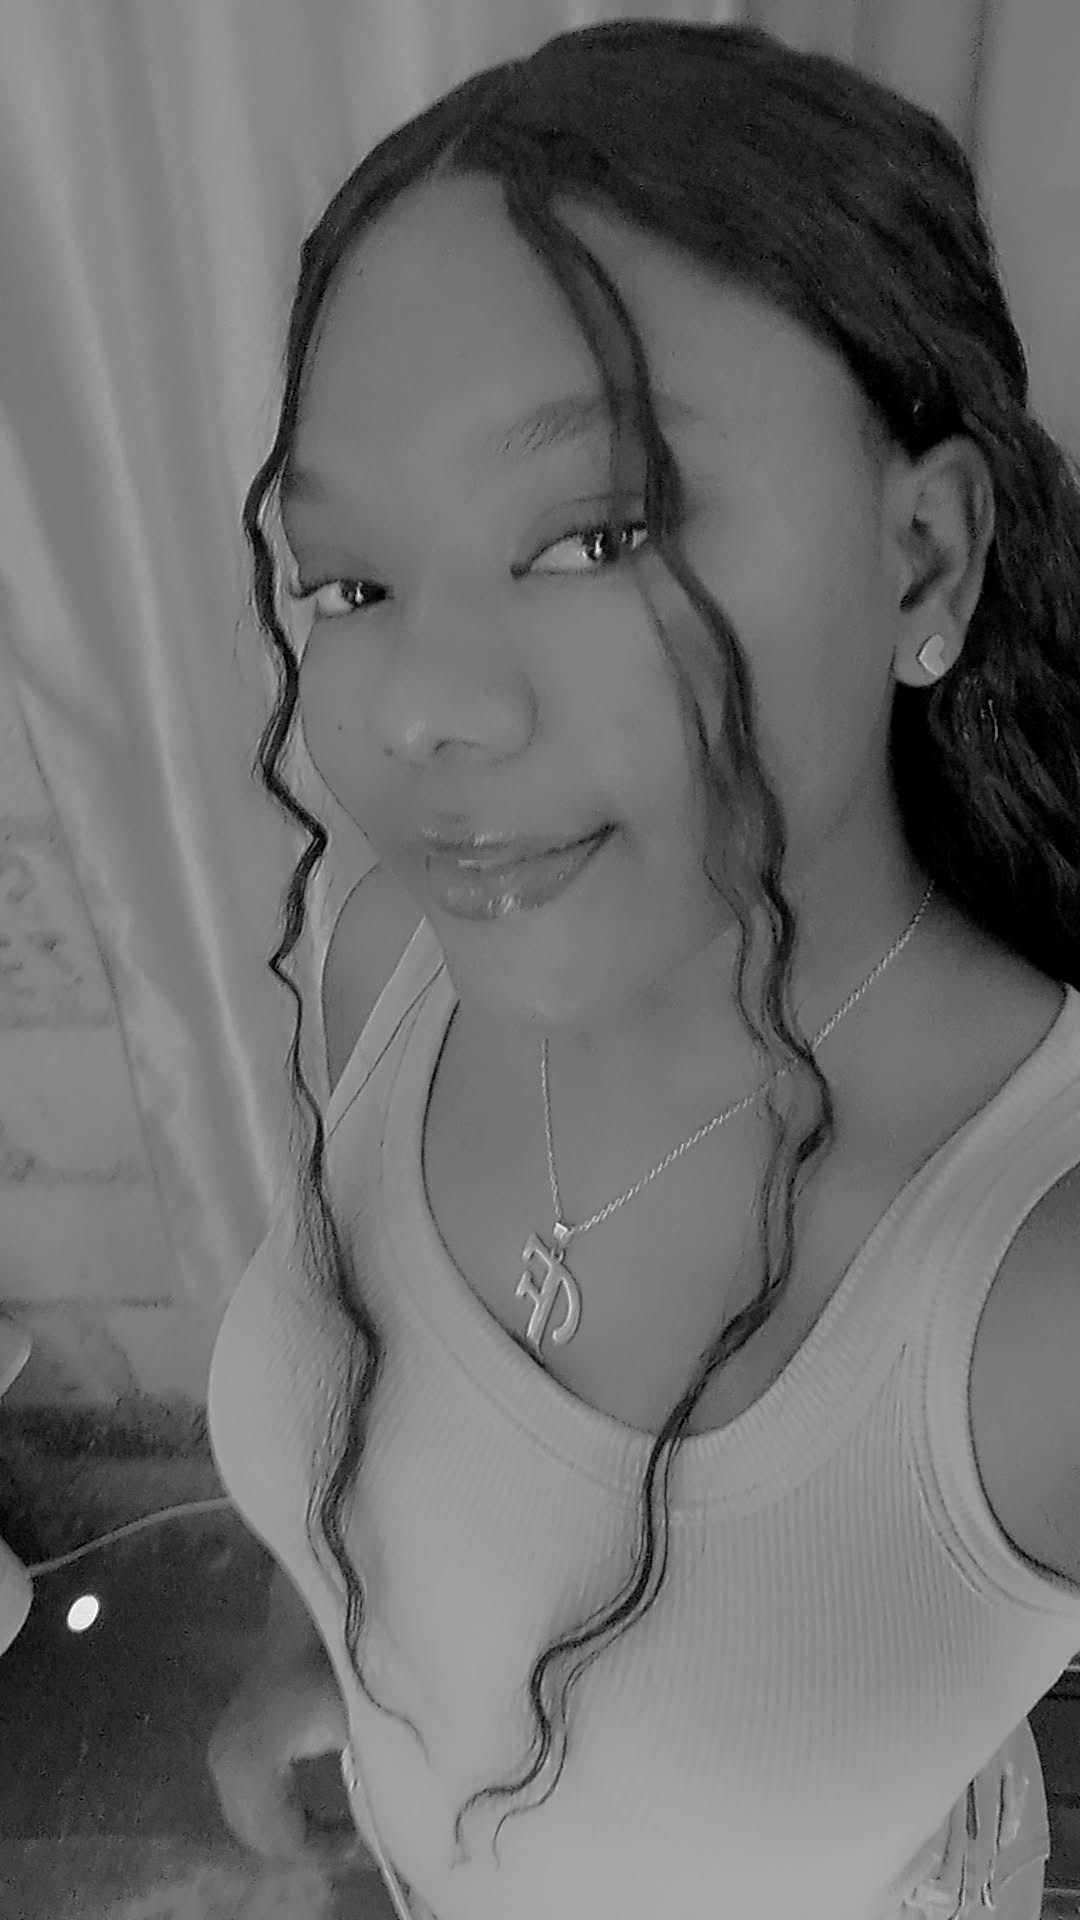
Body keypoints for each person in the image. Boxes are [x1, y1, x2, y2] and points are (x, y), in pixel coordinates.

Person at [205, 21, 1080, 1919]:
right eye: (350, 584)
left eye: (596, 536)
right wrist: (316, 1650)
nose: (420, 712)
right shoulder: (390, 965)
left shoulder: (1041, 1295)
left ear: (923, 561)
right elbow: (380, 1412)